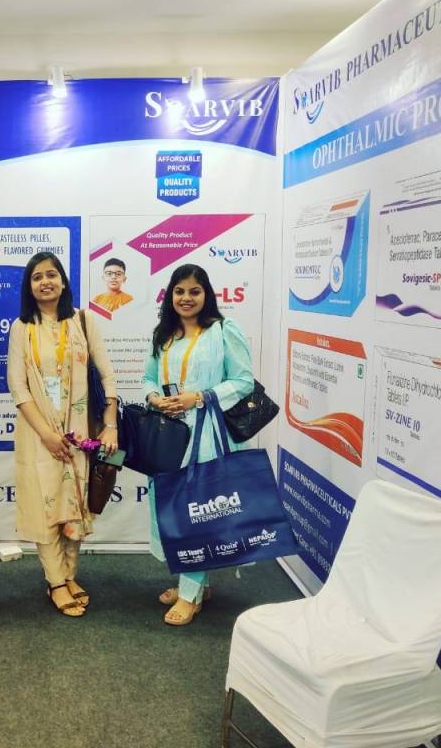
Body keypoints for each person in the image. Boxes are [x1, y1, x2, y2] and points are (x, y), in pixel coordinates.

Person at [141, 264, 254, 626]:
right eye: (179, 291)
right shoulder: (164, 335)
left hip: (206, 434)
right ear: (170, 295)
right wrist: (154, 398)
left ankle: (189, 594)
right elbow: (147, 378)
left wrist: (200, 397)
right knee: (173, 510)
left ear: (206, 294)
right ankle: (195, 584)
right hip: (168, 436)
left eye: (194, 291)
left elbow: (244, 381)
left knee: (197, 511)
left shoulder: (223, 330)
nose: (186, 298)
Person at [7, 252, 118, 617]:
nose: (45, 282)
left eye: (51, 274)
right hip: (38, 433)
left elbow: (107, 374)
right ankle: (55, 581)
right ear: (29, 287)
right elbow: (18, 386)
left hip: (80, 431)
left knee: (74, 504)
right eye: (37, 277)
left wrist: (110, 423)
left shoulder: (83, 321)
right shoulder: (22, 328)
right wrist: (46, 434)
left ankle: (69, 575)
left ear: (63, 281)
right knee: (47, 506)